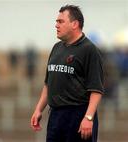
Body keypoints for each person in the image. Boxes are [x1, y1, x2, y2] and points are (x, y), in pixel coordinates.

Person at [30, 4, 104, 142]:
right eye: (56, 22)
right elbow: (48, 83)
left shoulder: (89, 50)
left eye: (61, 21)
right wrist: (38, 109)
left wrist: (88, 118)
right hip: (56, 117)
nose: (56, 25)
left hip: (78, 116)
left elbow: (96, 90)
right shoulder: (56, 48)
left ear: (75, 24)